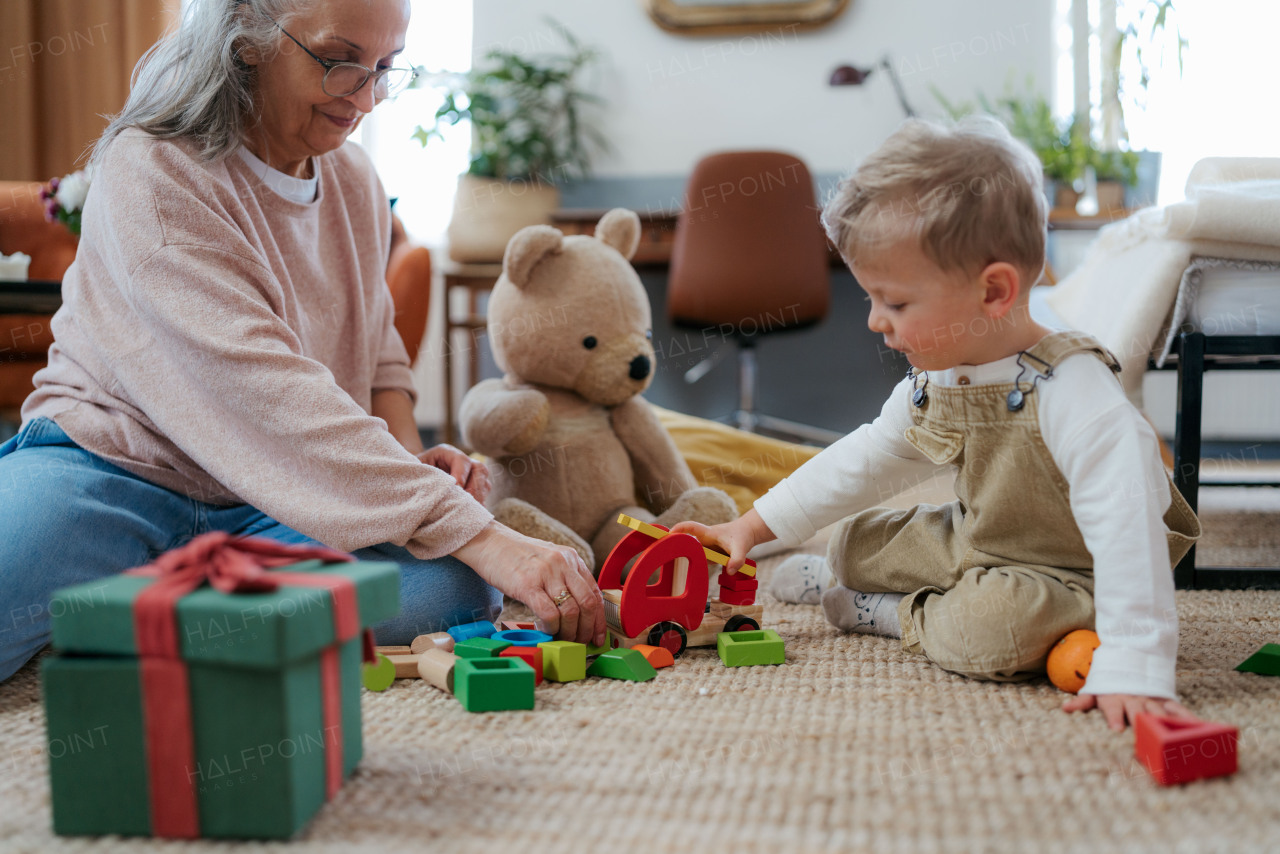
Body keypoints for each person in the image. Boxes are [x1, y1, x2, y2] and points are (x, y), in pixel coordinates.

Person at [0, 0, 604, 683]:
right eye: (340, 61)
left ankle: (122, 620)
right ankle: (166, 616)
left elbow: (378, 356)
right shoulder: (154, 169)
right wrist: (482, 532)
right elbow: (261, 393)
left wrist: (411, 463)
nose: (367, 97)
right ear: (249, 37)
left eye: (386, 68)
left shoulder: (354, 182)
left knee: (451, 590)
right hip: (110, 470)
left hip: (278, 497)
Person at [674, 117, 1201, 732]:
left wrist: (1134, 662)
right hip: (976, 538)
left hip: (1066, 572)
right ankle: (847, 576)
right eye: (872, 298)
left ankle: (887, 614)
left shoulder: (1071, 389)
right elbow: (864, 460)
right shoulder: (936, 381)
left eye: (895, 303)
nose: (875, 321)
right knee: (855, 540)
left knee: (995, 630)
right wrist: (751, 525)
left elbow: (1127, 525)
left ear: (994, 291)